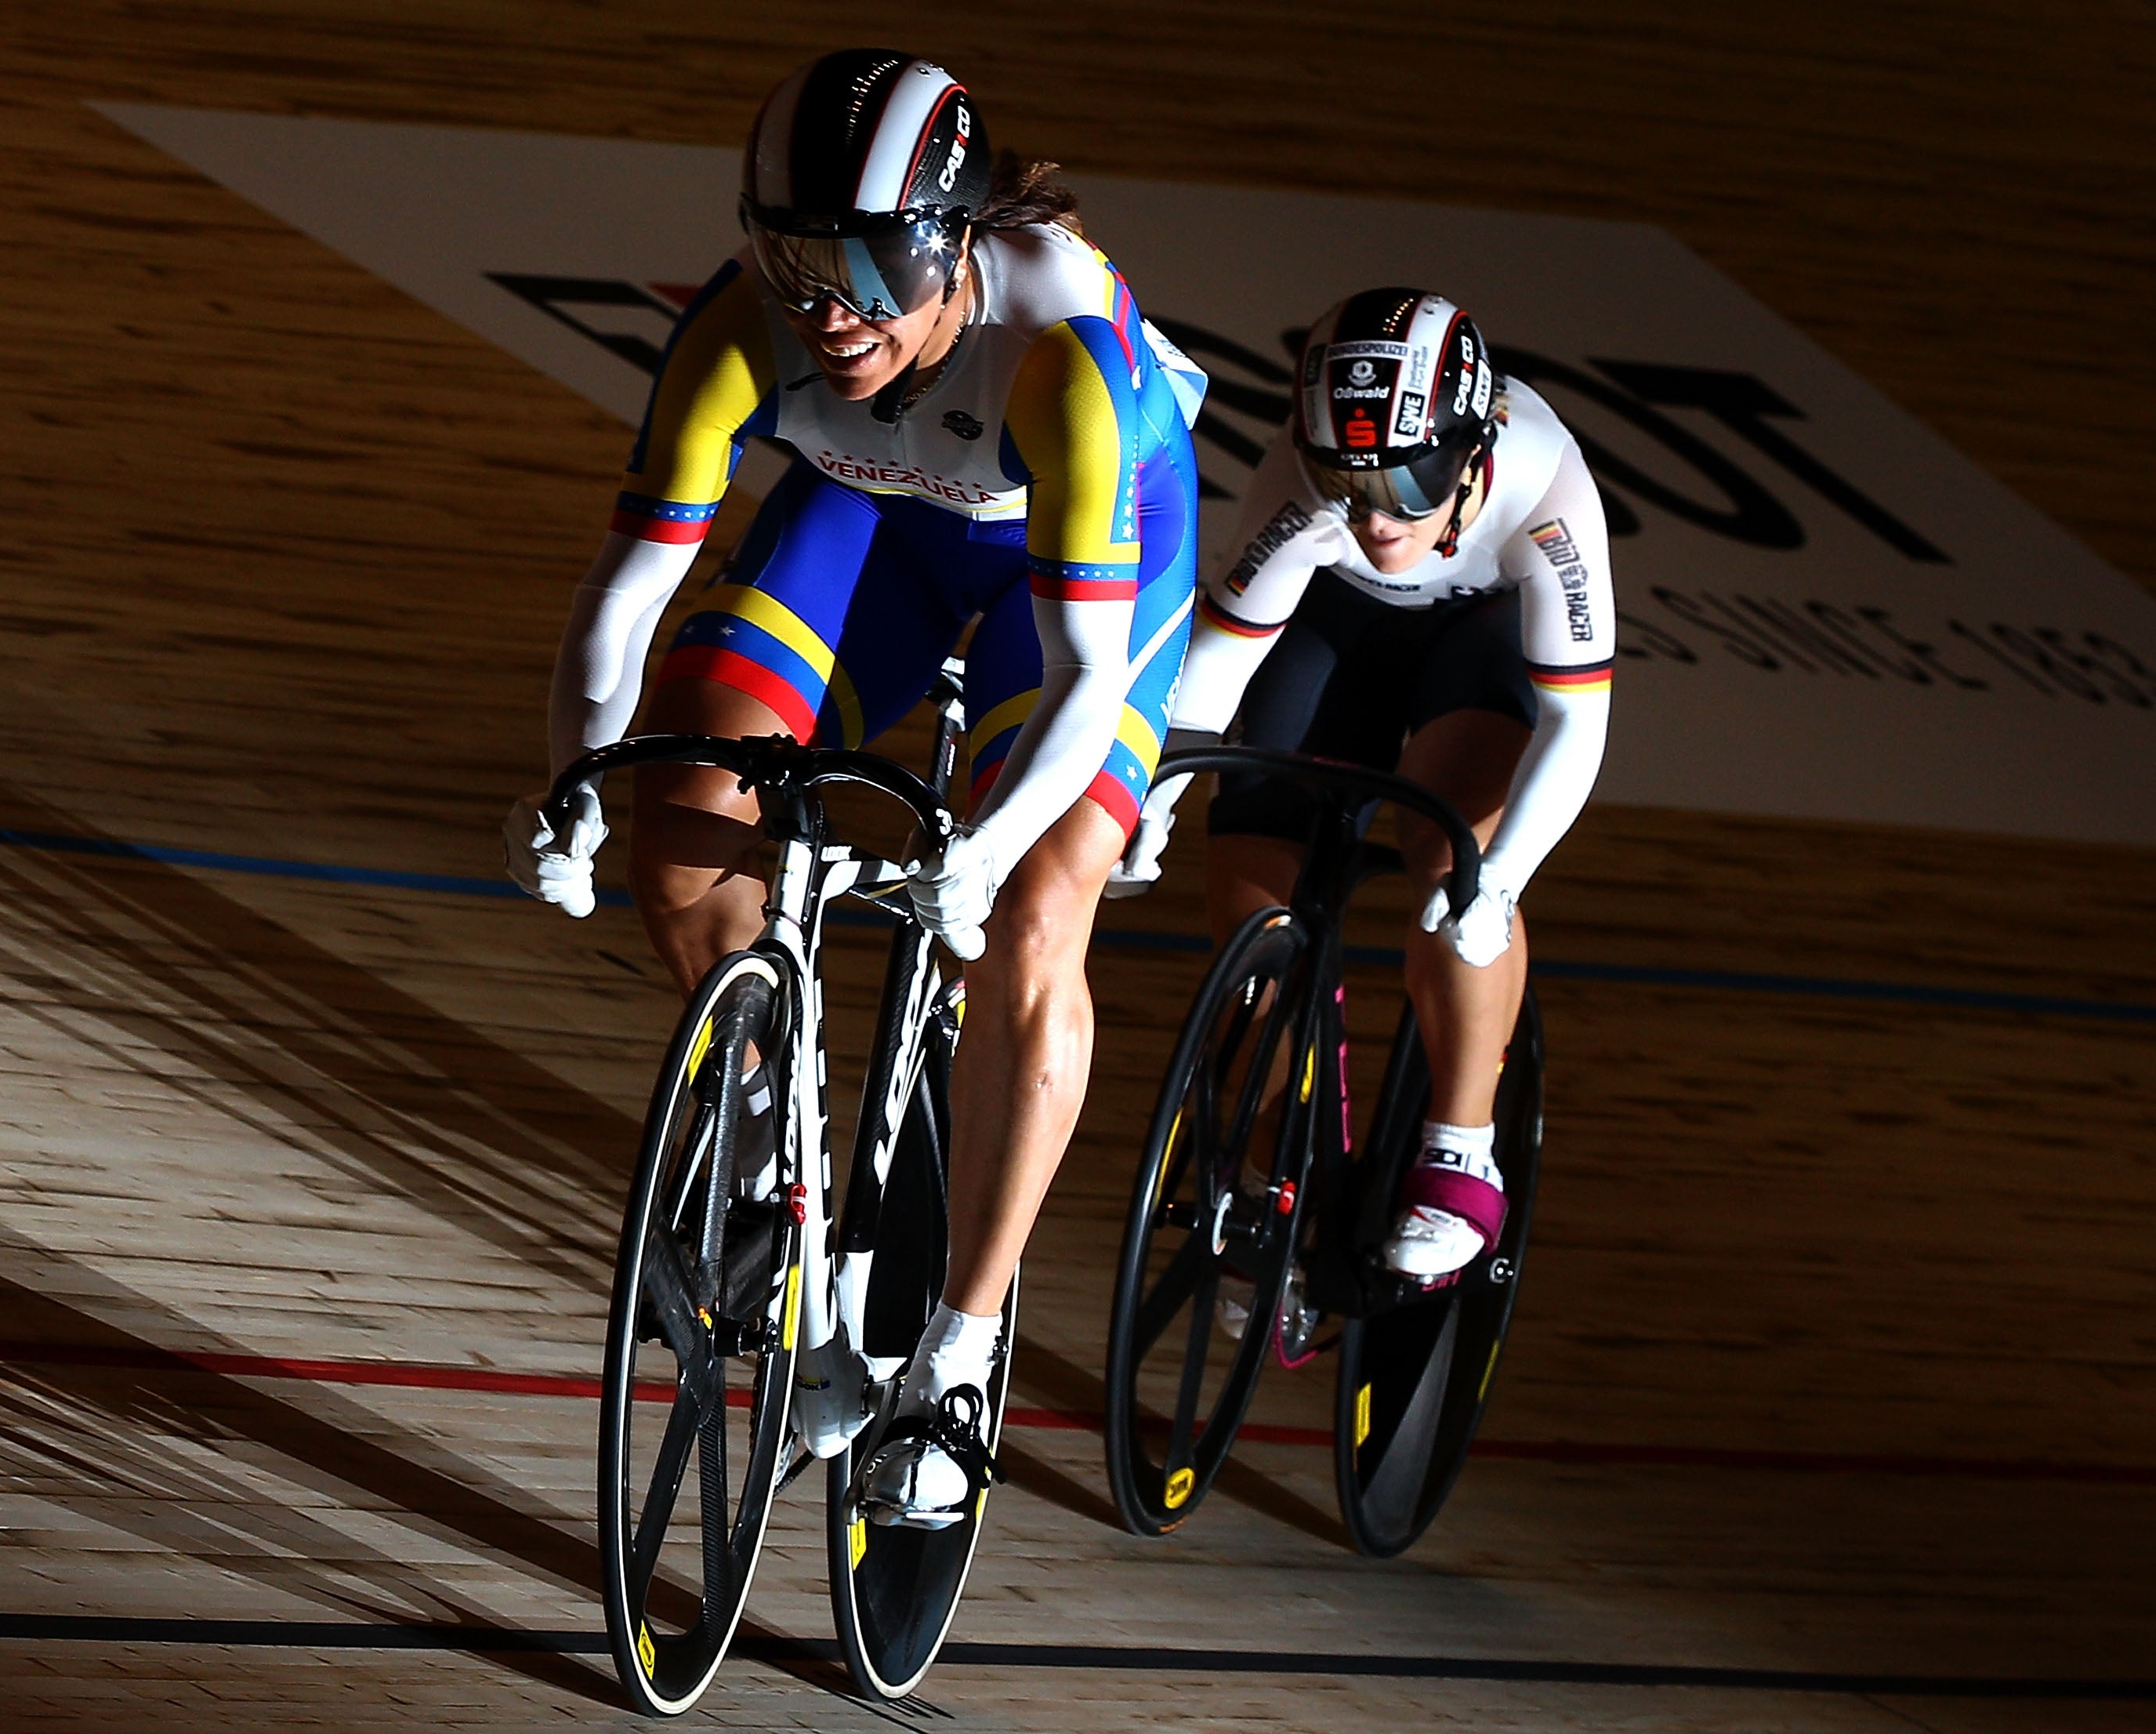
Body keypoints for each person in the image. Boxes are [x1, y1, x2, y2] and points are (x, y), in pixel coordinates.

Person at [504, 49, 1202, 1522]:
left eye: (865, 264)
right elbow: (627, 594)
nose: (823, 302)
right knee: (682, 820)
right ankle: (769, 1113)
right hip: (863, 513)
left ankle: (953, 1353)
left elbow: (1086, 682)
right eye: (791, 255)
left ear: (950, 247)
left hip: (1060, 568)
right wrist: (570, 778)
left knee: (1030, 913)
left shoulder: (1074, 369)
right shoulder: (750, 326)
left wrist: (994, 841)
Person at [1112, 288, 1612, 1281]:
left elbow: (1575, 721)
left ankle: (1460, 1147)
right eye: (1352, 481)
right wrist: (1152, 792)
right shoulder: (1299, 483)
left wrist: (1501, 876)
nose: (1381, 517)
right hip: (1335, 625)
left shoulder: (1546, 484)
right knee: (1253, 888)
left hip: (1483, 638)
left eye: (1413, 482)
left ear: (1474, 454)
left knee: (1451, 866)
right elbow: (1219, 662)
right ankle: (1276, 1119)